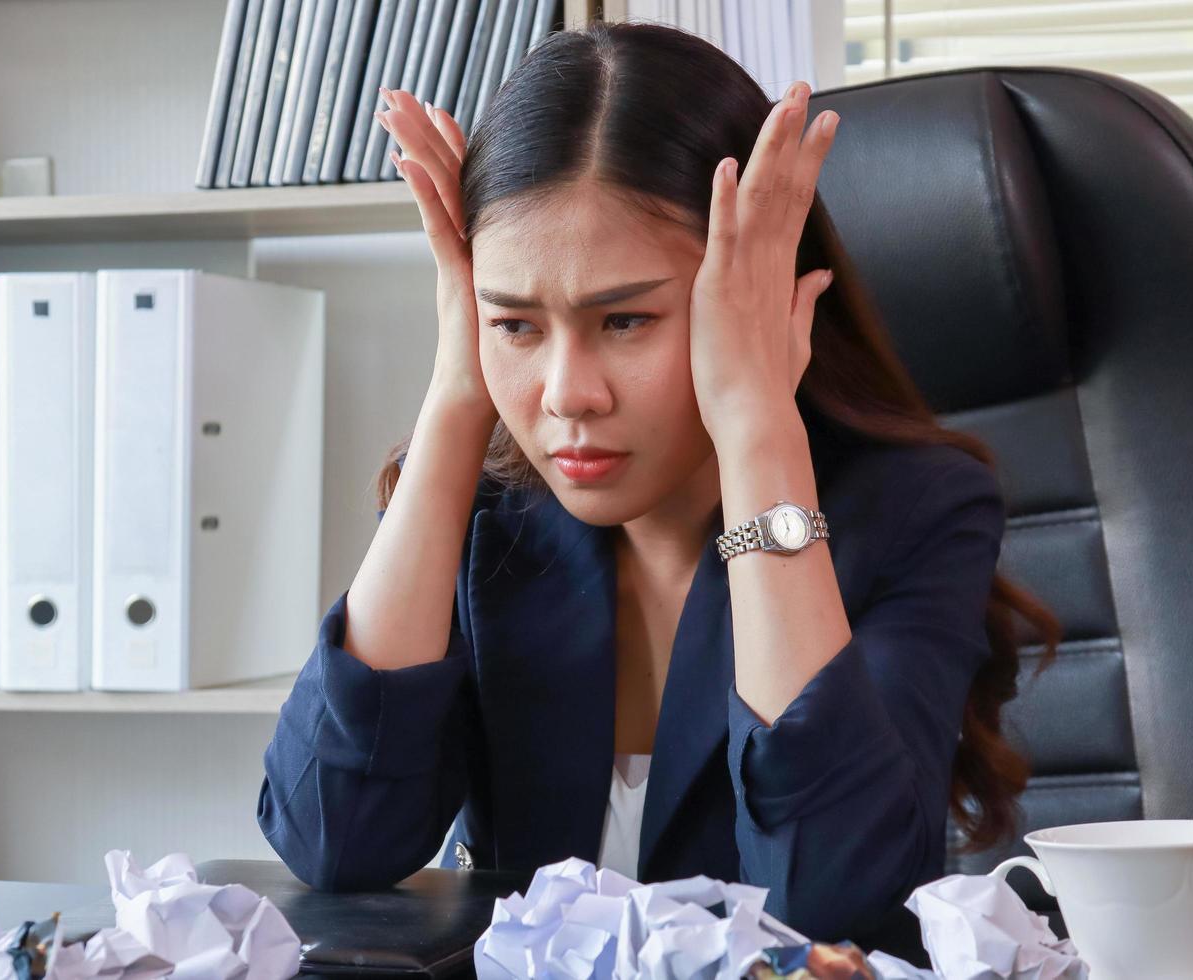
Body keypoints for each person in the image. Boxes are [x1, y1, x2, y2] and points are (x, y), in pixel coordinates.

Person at [256, 19, 1061, 950]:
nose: (567, 395)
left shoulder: (914, 511)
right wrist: (454, 396)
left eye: (627, 320)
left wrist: (758, 425)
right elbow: (332, 841)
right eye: (516, 324)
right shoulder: (485, 516)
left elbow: (829, 892)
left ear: (754, 299)